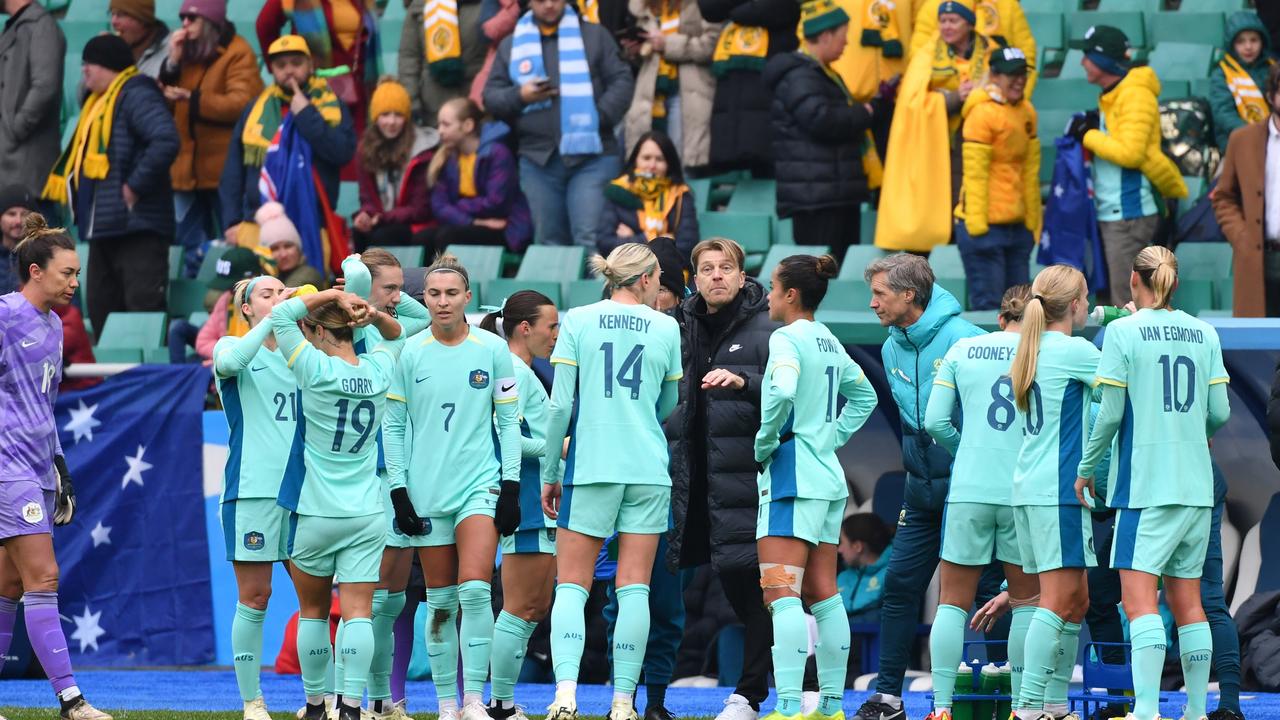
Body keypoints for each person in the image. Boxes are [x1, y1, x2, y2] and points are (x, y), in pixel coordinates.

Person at [1075, 247, 1231, 720]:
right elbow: (1220, 411)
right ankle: (1197, 711)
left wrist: (1086, 468)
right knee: (1190, 603)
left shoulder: (1121, 331)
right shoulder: (1205, 332)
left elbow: (1110, 415)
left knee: (1137, 601)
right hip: (1196, 489)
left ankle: (1145, 712)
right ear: (1175, 283)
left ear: (1133, 281)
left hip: (1145, 488)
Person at [540, 243, 683, 720]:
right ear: (642, 279)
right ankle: (624, 702)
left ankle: (565, 696)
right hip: (647, 468)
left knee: (573, 587)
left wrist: (550, 470)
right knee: (634, 588)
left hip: (593, 466)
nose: (662, 283)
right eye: (659, 275)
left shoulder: (577, 318)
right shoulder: (666, 326)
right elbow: (668, 406)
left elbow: (559, 406)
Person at [384, 254, 521, 720]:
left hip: (478, 487)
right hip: (426, 492)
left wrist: (511, 485)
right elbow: (395, 426)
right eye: (434, 294)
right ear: (425, 299)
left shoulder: (492, 349)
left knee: (477, 591)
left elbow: (508, 423)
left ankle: (473, 701)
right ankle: (447, 704)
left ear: (467, 297)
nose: (442, 302)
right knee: (440, 601)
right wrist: (399, 492)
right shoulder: (410, 351)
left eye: (451, 294)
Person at [855, 253, 989, 720]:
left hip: (967, 485)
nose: (872, 303)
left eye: (879, 294)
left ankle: (995, 695)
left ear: (909, 295)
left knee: (986, 589)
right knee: (899, 584)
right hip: (920, 486)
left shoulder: (969, 339)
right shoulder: (891, 344)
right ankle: (888, 697)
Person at [269, 285, 404, 720]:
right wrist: (373, 314)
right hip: (367, 512)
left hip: (316, 511)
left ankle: (314, 706)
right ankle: (349, 706)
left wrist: (327, 292)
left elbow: (279, 317)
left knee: (312, 611)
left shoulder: (314, 369)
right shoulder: (379, 369)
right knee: (359, 613)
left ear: (318, 331)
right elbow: (406, 329)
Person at [754, 253, 878, 720]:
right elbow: (864, 396)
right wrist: (832, 437)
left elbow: (783, 391)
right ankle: (829, 705)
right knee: (825, 593)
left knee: (780, 590)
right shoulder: (827, 339)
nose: (767, 295)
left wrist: (764, 443)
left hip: (792, 476)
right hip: (826, 478)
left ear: (790, 294)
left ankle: (787, 706)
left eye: (771, 286)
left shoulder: (786, 338)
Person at [0, 215, 112, 720]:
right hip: (7, 468)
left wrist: (58, 463)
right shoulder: (4, 315)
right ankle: (71, 700)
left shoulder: (53, 326)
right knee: (43, 578)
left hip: (39, 467)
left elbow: (40, 406)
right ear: (35, 271)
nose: (75, 282)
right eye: (67, 273)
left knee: (8, 587)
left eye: (77, 273)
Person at [666, 236, 780, 720]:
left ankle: (751, 694)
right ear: (694, 279)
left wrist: (747, 383)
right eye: (707, 268)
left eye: (726, 267)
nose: (716, 275)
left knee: (756, 588)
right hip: (691, 483)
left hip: (747, 481)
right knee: (714, 587)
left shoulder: (769, 328)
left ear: (742, 276)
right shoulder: (678, 326)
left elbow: (794, 393)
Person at [923, 283, 1041, 720]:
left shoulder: (963, 351)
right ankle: (1023, 709)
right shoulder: (1041, 353)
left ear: (999, 316)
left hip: (970, 487)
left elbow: (934, 420)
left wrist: (965, 447)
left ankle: (941, 708)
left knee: (952, 602)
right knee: (1028, 602)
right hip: (1021, 490)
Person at [1005, 264, 1097, 720]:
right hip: (1057, 490)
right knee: (1056, 601)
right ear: (1076, 304)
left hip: (1029, 488)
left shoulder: (1032, 348)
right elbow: (1126, 383)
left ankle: (1055, 706)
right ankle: (1027, 709)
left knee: (1076, 600)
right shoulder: (1074, 350)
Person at [46, 34, 179, 336]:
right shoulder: (98, 102)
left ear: (109, 65)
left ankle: (148, 381)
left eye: (89, 64)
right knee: (102, 311)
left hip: (138, 227)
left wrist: (134, 187)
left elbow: (165, 140)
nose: (84, 71)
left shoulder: (136, 94)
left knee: (141, 313)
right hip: (106, 227)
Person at [211, 273, 296, 720]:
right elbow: (229, 364)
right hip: (252, 492)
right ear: (247, 309)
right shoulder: (231, 345)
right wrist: (277, 319)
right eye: (267, 295)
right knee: (256, 597)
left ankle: (321, 701)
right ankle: (252, 702)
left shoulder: (305, 354)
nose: (279, 298)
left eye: (284, 292)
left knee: (317, 598)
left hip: (306, 494)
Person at [483, 0, 635, 247]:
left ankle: (592, 288)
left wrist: (598, 117)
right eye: (541, 0)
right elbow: (491, 98)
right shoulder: (512, 44)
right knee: (548, 241)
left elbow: (622, 81)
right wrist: (520, 96)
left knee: (589, 238)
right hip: (538, 159)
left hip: (592, 157)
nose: (550, 5)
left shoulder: (595, 35)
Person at [479, 290, 562, 720]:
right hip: (527, 497)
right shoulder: (513, 369)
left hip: (534, 497)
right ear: (525, 328)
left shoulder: (523, 370)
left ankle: (499, 701)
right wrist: (557, 448)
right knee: (522, 605)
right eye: (551, 326)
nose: (556, 335)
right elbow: (504, 433)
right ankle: (498, 704)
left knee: (532, 606)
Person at [1065, 25, 1186, 306]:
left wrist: (1088, 135)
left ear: (1103, 60)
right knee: (1118, 299)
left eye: (1087, 55)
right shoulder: (1116, 92)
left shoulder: (1135, 94)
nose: (1082, 62)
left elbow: (1131, 153)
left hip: (1130, 213)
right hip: (1114, 212)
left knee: (1130, 301)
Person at [221, 35, 356, 251]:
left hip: (312, 221)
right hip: (258, 222)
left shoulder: (331, 104)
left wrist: (306, 114)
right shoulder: (255, 109)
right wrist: (231, 221)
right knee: (258, 286)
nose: (289, 71)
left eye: (296, 63)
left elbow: (342, 152)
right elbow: (233, 170)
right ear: (272, 70)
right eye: (281, 65)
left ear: (310, 65)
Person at [159, 0, 264, 278]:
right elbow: (162, 104)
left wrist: (193, 100)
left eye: (191, 20)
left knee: (230, 248)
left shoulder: (238, 52)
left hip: (222, 174)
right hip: (186, 173)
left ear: (208, 22)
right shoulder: (185, 55)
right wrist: (171, 62)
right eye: (182, 19)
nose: (184, 26)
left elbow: (244, 103)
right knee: (190, 249)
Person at [765, 0, 876, 260]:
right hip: (817, 198)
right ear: (825, 36)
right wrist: (866, 112)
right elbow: (822, 120)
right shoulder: (801, 76)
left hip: (830, 192)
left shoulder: (818, 73)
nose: (846, 43)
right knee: (820, 273)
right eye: (843, 36)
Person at [955, 47, 1039, 311]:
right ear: (994, 75)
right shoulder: (981, 113)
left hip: (1017, 227)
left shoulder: (1027, 111)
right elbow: (975, 173)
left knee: (1022, 310)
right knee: (990, 310)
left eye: (1022, 73)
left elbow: (1030, 170)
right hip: (985, 227)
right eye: (1011, 74)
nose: (1019, 80)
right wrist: (978, 228)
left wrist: (1033, 221)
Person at [697, 0, 800, 177]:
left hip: (770, 73)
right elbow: (709, 8)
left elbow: (767, 9)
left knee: (766, 156)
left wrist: (733, 9)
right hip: (734, 87)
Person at [1211, 62, 1280, 318]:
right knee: (1259, 350)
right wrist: (1242, 236)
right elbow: (1223, 197)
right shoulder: (1242, 139)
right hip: (1258, 259)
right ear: (1271, 95)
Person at [621, 0, 720, 171]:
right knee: (647, 168)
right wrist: (635, 51)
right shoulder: (644, 6)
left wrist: (667, 44)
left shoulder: (700, 5)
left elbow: (712, 44)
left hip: (687, 95)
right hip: (650, 97)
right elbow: (647, 58)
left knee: (680, 166)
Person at [256, 0, 380, 135]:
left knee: (358, 148)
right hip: (312, 93)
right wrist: (282, 68)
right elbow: (264, 26)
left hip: (357, 90)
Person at [428, 97, 533, 254]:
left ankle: (453, 279)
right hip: (473, 222)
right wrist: (473, 221)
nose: (440, 131)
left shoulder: (498, 153)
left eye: (446, 125)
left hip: (504, 228)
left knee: (448, 236)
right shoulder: (448, 157)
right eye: (439, 125)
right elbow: (439, 206)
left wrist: (459, 205)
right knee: (423, 239)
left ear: (468, 126)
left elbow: (496, 203)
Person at [354, 78, 440, 252]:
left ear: (407, 118)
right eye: (385, 115)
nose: (391, 122)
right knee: (359, 233)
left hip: (415, 224)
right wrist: (366, 215)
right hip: (384, 220)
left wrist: (382, 218)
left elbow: (420, 209)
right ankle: (359, 280)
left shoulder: (421, 151)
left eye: (398, 115)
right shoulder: (365, 150)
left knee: (382, 236)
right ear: (375, 117)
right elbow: (367, 198)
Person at [598, 131, 699, 262]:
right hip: (627, 274)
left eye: (659, 159)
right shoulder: (618, 191)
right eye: (646, 158)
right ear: (635, 161)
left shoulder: (680, 195)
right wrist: (651, 239)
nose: (652, 166)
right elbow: (604, 244)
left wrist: (630, 240)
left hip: (670, 275)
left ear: (669, 163)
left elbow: (687, 247)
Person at [0, 0, 65, 202]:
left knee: (38, 230)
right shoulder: (18, 25)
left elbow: (45, 86)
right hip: (9, 167)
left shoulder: (41, 25)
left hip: (26, 168)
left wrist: (16, 129)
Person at [907, 0, 1036, 92]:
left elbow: (1026, 57)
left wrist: (1017, 95)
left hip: (997, 104)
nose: (947, 25)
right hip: (945, 111)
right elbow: (917, 62)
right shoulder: (933, 7)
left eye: (952, 21)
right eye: (944, 21)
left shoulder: (1007, 5)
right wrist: (953, 97)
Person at [400, 0, 488, 127]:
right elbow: (409, 56)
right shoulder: (419, 5)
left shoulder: (487, 3)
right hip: (433, 106)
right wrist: (411, 100)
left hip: (477, 103)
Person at [1210, 12, 1273, 153]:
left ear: (1263, 42)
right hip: (1235, 140)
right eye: (1241, 41)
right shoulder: (1222, 74)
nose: (1248, 47)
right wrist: (1256, 134)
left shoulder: (1272, 68)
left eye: (1254, 40)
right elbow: (1224, 113)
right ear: (1231, 45)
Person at [836, 513, 893, 624]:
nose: (839, 550)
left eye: (842, 543)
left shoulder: (892, 575)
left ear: (858, 546)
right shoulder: (842, 577)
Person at [257, 202, 327, 290]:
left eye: (288, 246)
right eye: (274, 249)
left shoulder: (308, 275)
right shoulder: (271, 278)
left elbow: (283, 300)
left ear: (298, 248)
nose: (283, 254)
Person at [110, 0, 171, 78]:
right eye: (112, 14)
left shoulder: (172, 52)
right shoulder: (116, 51)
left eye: (120, 15)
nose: (113, 22)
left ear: (142, 20)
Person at [0, 187, 35, 295]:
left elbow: (71, 308)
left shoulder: (44, 258)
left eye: (25, 214)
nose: (18, 221)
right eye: (11, 214)